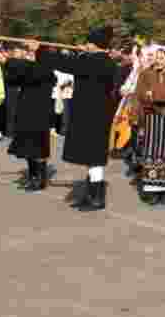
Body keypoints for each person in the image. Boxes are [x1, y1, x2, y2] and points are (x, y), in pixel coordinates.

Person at [30, 26, 120, 212]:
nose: (85, 45)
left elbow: (63, 63)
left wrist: (39, 50)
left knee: (94, 157)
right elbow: (70, 62)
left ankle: (96, 198)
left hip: (93, 115)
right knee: (91, 156)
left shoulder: (95, 62)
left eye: (89, 42)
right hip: (96, 114)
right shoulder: (102, 61)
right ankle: (90, 195)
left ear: (95, 45)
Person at [2, 46, 57, 191]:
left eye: (32, 53)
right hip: (26, 111)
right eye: (29, 53)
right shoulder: (30, 70)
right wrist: (6, 64)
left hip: (40, 114)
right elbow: (12, 80)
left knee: (38, 148)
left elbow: (29, 68)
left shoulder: (45, 70)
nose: (29, 55)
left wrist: (8, 59)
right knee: (27, 148)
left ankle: (40, 179)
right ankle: (32, 176)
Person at [135, 46, 165, 204]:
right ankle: (152, 190)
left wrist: (153, 94)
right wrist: (156, 94)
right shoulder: (145, 73)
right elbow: (141, 93)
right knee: (152, 152)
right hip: (151, 118)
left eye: (162, 57)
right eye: (157, 56)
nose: (159, 59)